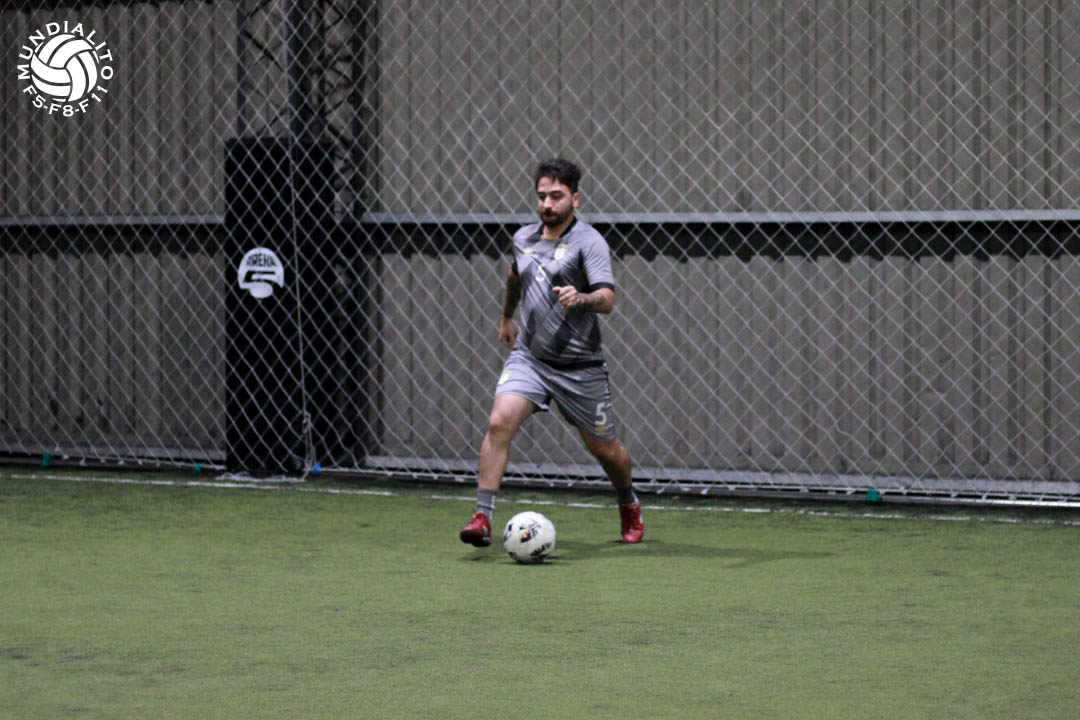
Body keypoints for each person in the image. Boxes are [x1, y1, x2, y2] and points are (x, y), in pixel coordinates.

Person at [459, 158, 644, 548]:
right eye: (542, 196)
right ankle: (482, 517)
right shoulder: (523, 238)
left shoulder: (589, 243)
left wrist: (581, 297)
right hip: (530, 358)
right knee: (499, 422)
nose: (547, 204)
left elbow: (607, 299)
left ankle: (628, 502)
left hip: (579, 366)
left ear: (575, 199)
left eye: (556, 196)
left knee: (606, 450)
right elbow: (515, 275)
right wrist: (506, 317)